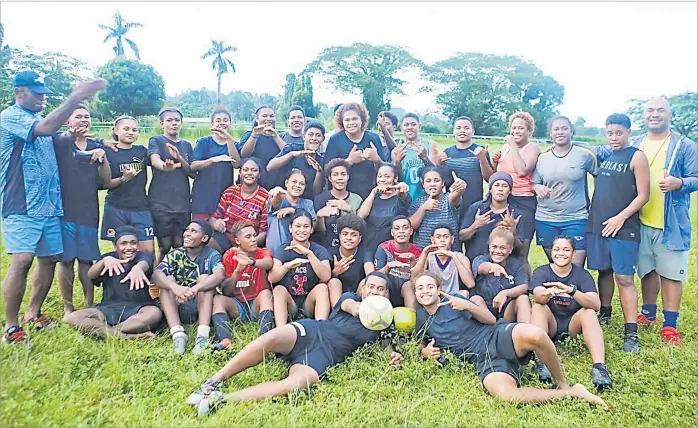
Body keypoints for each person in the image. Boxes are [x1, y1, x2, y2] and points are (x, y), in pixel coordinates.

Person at [186, 271, 402, 415]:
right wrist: (364, 309)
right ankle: (213, 380)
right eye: (370, 286)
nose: (374, 291)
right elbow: (350, 307)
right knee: (271, 338)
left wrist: (394, 355)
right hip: (313, 331)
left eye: (380, 289)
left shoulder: (384, 323)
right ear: (362, 289)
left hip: (327, 356)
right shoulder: (350, 299)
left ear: (387, 293)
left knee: (295, 384)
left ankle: (221, 398)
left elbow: (386, 346)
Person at [1, 71, 106, 343]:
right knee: (23, 260)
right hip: (21, 202)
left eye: (44, 93)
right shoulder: (11, 117)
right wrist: (76, 97)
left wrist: (92, 154)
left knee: (48, 260)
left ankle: (33, 313)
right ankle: (11, 326)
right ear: (19, 92)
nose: (42, 97)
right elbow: (46, 129)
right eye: (36, 93)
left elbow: (68, 152)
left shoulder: (40, 120)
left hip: (50, 206)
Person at [414, 272, 607, 409]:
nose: (425, 291)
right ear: (414, 293)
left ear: (439, 289)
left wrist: (468, 306)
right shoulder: (420, 317)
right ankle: (572, 393)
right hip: (484, 360)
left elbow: (489, 320)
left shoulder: (454, 299)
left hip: (495, 336)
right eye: (420, 288)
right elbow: (419, 344)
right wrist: (425, 352)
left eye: (430, 286)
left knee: (536, 334)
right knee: (507, 395)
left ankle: (562, 383)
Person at [628, 98, 695, 344]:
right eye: (650, 110)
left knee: (670, 273)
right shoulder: (634, 143)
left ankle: (670, 325)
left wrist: (680, 183)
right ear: (643, 116)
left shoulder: (684, 145)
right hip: (639, 220)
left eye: (660, 110)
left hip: (670, 222)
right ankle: (648, 313)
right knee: (646, 269)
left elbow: (695, 177)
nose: (655, 114)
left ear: (670, 115)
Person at [586, 113, 649, 353]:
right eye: (610, 133)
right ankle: (605, 313)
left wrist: (621, 218)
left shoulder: (637, 156)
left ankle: (631, 332)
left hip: (623, 227)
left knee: (623, 277)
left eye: (619, 133)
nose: (614, 137)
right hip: (598, 224)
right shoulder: (606, 154)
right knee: (604, 270)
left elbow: (643, 195)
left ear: (629, 132)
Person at [529, 236, 612, 390]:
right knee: (538, 308)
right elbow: (538, 296)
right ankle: (541, 363)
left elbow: (595, 304)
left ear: (573, 254)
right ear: (551, 252)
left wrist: (571, 290)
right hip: (551, 323)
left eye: (566, 250)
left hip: (573, 323)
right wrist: (550, 292)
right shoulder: (542, 272)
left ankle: (599, 367)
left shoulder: (582, 275)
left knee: (589, 312)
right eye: (557, 249)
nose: (561, 253)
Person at [53, 104, 111, 318]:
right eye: (78, 116)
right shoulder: (60, 142)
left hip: (88, 210)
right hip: (64, 210)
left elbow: (105, 181)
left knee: (86, 260)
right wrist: (70, 135)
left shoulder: (96, 145)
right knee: (66, 260)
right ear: (68, 120)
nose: (83, 120)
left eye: (87, 116)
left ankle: (89, 303)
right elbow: (61, 141)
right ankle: (68, 306)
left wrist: (102, 157)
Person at [65, 227, 162, 339]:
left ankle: (105, 331)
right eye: (124, 244)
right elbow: (91, 275)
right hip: (108, 308)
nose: (129, 247)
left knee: (155, 313)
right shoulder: (108, 258)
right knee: (74, 317)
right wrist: (104, 262)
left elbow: (146, 262)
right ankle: (127, 336)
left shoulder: (143, 256)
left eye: (133, 243)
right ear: (116, 246)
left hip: (139, 308)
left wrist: (139, 268)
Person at [151, 220, 226, 355]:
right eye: (187, 230)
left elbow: (219, 275)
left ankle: (202, 337)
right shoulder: (176, 254)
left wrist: (196, 289)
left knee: (205, 279)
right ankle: (178, 335)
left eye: (193, 231)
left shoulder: (212, 255)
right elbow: (156, 275)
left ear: (204, 238)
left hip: (202, 305)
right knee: (167, 280)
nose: (187, 234)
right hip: (178, 304)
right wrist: (175, 288)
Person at [532, 116, 598, 266]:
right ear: (550, 134)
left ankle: (576, 290)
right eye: (556, 129)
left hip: (577, 218)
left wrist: (597, 204)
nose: (560, 132)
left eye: (564, 128)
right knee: (557, 265)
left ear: (571, 132)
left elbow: (599, 177)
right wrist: (537, 187)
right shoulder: (542, 158)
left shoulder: (584, 155)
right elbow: (534, 182)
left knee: (575, 267)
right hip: (546, 219)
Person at [211, 220, 275, 351]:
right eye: (248, 237)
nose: (254, 240)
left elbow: (268, 263)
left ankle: (264, 340)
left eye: (254, 235)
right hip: (238, 305)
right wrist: (238, 271)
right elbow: (227, 291)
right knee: (218, 299)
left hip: (257, 305)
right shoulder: (229, 256)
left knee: (266, 294)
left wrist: (251, 262)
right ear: (237, 240)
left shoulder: (262, 252)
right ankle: (225, 340)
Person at [493, 112, 541, 278]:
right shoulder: (505, 148)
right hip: (504, 200)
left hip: (524, 201)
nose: (516, 131)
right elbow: (498, 174)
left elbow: (521, 171)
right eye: (513, 128)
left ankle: (525, 290)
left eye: (521, 128)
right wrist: (494, 161)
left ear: (529, 131)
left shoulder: (532, 148)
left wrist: (512, 145)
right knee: (503, 247)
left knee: (521, 252)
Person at [101, 116, 155, 255]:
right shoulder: (107, 152)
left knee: (148, 253)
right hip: (116, 207)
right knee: (124, 252)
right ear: (116, 131)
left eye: (134, 130)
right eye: (126, 129)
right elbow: (103, 184)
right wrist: (124, 178)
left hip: (140, 208)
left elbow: (157, 161)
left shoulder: (142, 151)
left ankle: (147, 277)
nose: (130, 132)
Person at [147, 107, 195, 263]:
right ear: (162, 124)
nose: (173, 123)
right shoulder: (156, 141)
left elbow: (192, 172)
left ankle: (179, 280)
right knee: (164, 246)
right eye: (169, 120)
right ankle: (157, 282)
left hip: (182, 202)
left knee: (181, 244)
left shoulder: (186, 145)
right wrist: (164, 167)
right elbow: (155, 160)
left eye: (177, 120)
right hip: (161, 203)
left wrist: (179, 158)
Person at [269, 210, 331, 327]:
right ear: (290, 228)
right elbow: (272, 278)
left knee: (322, 287)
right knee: (278, 290)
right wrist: (287, 266)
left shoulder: (319, 250)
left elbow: (326, 276)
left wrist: (310, 255)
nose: (302, 230)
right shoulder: (283, 250)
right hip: (290, 303)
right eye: (297, 226)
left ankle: (321, 329)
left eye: (306, 226)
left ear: (311, 230)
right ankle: (280, 331)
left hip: (309, 302)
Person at [323, 103, 390, 199]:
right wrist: (349, 161)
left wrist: (376, 159)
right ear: (342, 122)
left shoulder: (373, 138)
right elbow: (327, 170)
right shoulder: (335, 139)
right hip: (344, 195)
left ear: (362, 120)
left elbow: (384, 168)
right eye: (347, 120)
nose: (351, 123)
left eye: (354, 119)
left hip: (371, 193)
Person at [469, 229, 530, 323]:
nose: (497, 251)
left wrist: (505, 293)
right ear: (489, 247)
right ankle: (492, 327)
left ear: (510, 250)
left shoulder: (516, 265)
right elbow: (481, 267)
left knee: (523, 298)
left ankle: (525, 333)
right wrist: (492, 267)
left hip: (506, 310)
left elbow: (524, 287)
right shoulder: (481, 259)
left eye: (502, 248)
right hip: (484, 310)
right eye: (494, 247)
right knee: (475, 299)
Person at [459, 172, 524, 262]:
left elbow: (520, 250)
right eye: (497, 185)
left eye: (504, 186)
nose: (500, 189)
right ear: (490, 189)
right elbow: (461, 237)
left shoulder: (514, 214)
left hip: (504, 264)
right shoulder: (476, 208)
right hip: (475, 262)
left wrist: (514, 233)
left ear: (509, 191)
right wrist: (475, 226)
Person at [208, 158, 269, 253]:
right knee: (209, 242)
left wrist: (248, 244)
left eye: (254, 170)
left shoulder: (265, 198)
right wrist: (216, 224)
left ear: (260, 174)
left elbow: (264, 232)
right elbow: (213, 219)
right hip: (226, 239)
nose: (249, 173)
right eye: (245, 170)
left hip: (249, 244)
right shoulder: (230, 191)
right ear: (240, 173)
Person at [190, 109, 240, 221]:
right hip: (203, 194)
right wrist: (212, 160)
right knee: (200, 230)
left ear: (230, 123)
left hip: (224, 195)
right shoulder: (203, 142)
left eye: (225, 120)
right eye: (218, 120)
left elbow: (236, 164)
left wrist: (229, 140)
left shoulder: (234, 144)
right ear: (212, 124)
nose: (222, 123)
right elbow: (193, 165)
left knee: (220, 231)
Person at [442, 116, 494, 223]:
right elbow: (442, 181)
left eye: (466, 128)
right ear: (454, 131)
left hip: (475, 205)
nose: (462, 131)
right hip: (452, 205)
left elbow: (490, 179)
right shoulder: (446, 153)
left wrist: (482, 159)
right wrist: (439, 163)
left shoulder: (480, 150)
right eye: (459, 128)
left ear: (473, 131)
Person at [357, 163, 411, 255]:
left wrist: (401, 185)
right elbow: (361, 215)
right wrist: (374, 192)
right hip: (369, 246)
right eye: (379, 176)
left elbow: (403, 193)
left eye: (387, 176)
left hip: (390, 248)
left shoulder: (400, 198)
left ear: (395, 178)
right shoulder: (372, 198)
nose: (382, 179)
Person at [408, 167, 466, 250]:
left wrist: (461, 186)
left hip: (450, 254)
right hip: (424, 254)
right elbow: (411, 226)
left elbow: (457, 194)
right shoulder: (418, 202)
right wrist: (423, 208)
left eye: (436, 180)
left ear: (443, 183)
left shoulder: (448, 199)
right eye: (428, 181)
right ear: (423, 184)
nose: (432, 184)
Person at [312, 158, 363, 249]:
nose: (340, 178)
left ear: (348, 177)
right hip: (326, 248)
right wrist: (320, 216)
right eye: (335, 174)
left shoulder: (357, 199)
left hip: (350, 249)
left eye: (343, 174)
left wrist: (349, 210)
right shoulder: (320, 199)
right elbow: (317, 231)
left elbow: (360, 228)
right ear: (330, 178)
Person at [267, 120, 325, 199]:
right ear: (304, 136)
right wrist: (291, 155)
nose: (314, 138)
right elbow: (270, 167)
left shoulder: (321, 160)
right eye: (310, 134)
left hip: (305, 202)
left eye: (318, 135)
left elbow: (316, 193)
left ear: (323, 139)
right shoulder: (292, 148)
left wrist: (319, 172)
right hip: (284, 198)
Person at [374, 216, 422, 309]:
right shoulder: (384, 248)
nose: (401, 231)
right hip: (387, 290)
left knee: (409, 286)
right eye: (397, 228)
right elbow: (375, 277)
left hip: (407, 291)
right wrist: (388, 266)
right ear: (392, 232)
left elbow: (418, 281)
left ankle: (413, 321)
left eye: (405, 228)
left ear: (411, 231)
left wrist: (413, 261)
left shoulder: (418, 253)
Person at [411, 225, 475, 294]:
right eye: (438, 237)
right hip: (433, 295)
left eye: (446, 237)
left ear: (452, 239)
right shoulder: (428, 257)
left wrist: (453, 257)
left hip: (454, 297)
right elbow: (414, 279)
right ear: (432, 240)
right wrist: (424, 253)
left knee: (465, 293)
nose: (442, 240)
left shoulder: (460, 257)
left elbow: (470, 284)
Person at [391, 113, 440, 201]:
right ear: (401, 128)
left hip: (427, 198)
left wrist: (425, 159)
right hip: (405, 199)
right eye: (406, 125)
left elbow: (437, 174)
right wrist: (397, 162)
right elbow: (397, 179)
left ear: (419, 126)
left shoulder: (430, 145)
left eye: (413, 124)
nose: (410, 127)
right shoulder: (396, 150)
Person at [327, 214, 374, 305]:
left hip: (357, 296)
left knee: (366, 281)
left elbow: (370, 271)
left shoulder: (365, 252)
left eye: (354, 235)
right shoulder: (330, 252)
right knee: (334, 282)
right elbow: (322, 279)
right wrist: (335, 272)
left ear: (359, 238)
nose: (349, 238)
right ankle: (338, 314)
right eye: (345, 234)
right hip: (335, 297)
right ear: (340, 236)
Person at [266, 169, 316, 251]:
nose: (298, 185)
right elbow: (276, 201)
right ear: (286, 183)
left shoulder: (308, 204)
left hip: (298, 251)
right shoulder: (280, 198)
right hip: (275, 252)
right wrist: (277, 191)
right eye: (294, 182)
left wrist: (294, 211)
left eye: (302, 184)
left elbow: (313, 225)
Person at [237, 106, 286, 190]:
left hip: (275, 186)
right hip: (253, 186)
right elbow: (244, 154)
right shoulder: (249, 135)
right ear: (257, 119)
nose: (268, 119)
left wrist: (275, 136)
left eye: (271, 116)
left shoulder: (280, 137)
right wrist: (254, 135)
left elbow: (288, 153)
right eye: (264, 116)